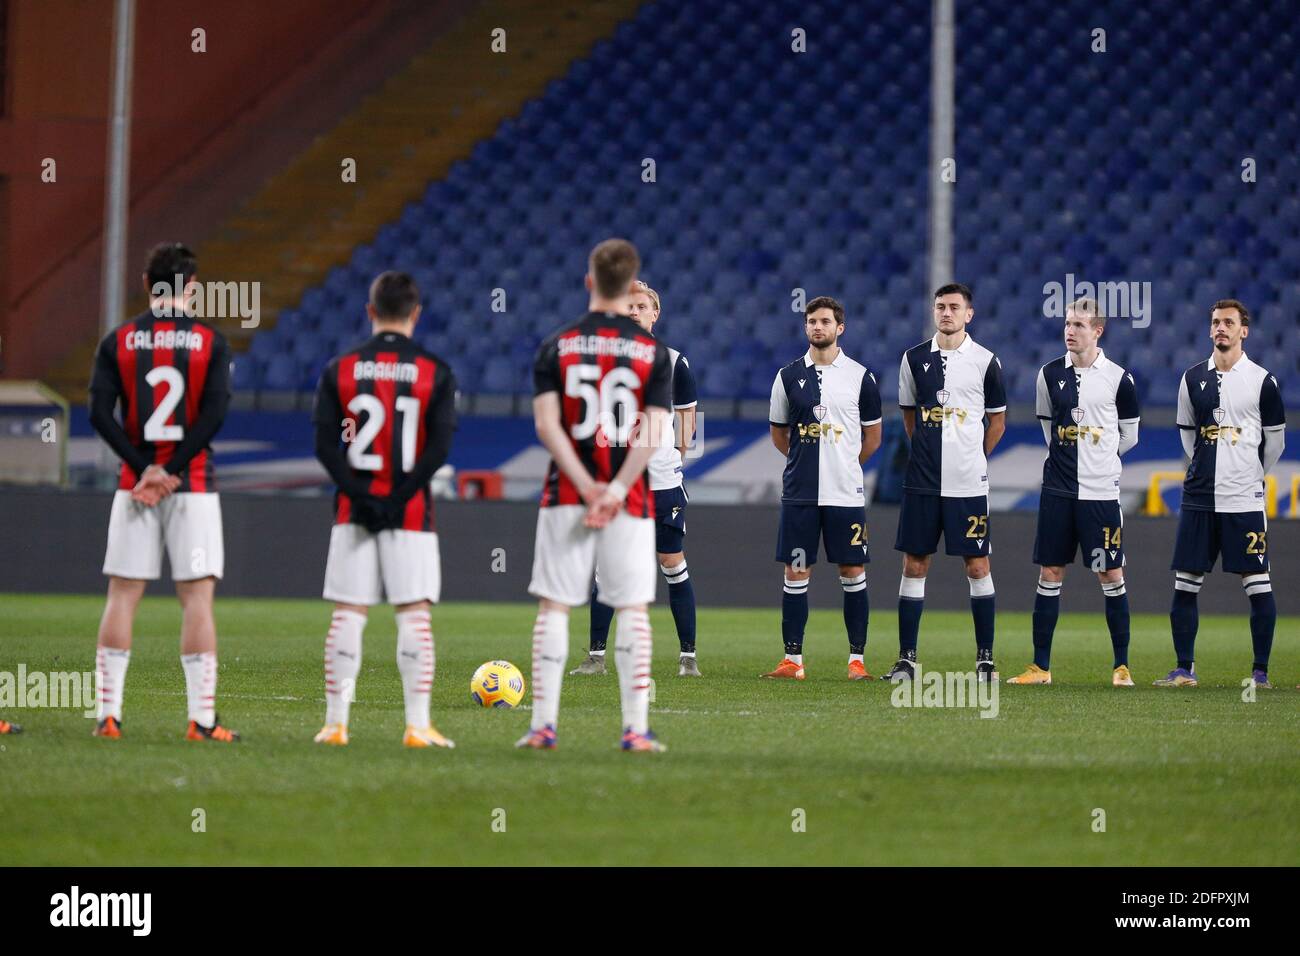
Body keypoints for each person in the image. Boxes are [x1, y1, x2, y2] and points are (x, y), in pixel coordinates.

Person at [517, 239, 672, 752]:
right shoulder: (653, 352)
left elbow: (547, 426)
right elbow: (653, 431)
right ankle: (635, 729)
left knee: (555, 606)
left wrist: (585, 487)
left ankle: (543, 726)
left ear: (590, 282)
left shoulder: (555, 345)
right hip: (629, 499)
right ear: (630, 287)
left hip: (566, 493)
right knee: (631, 608)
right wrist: (617, 488)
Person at [88, 242, 236, 741]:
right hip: (191, 484)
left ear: (148, 286)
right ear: (191, 287)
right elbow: (213, 417)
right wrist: (171, 469)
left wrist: (144, 469)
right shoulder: (211, 342)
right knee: (196, 598)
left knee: (123, 595)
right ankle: (201, 721)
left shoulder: (119, 340)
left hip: (135, 487)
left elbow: (97, 415)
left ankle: (108, 716)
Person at [311, 271, 458, 746]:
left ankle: (335, 725)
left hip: (353, 511)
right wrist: (397, 497)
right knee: (413, 613)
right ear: (416, 314)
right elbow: (437, 450)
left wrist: (362, 496)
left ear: (370, 311)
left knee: (349, 613)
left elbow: (325, 446)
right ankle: (417, 726)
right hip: (410, 511)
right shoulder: (435, 370)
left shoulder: (342, 367)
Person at [1007, 298, 1141, 686]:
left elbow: (1129, 436)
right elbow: (1050, 429)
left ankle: (1121, 667)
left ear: (1098, 331)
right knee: (1050, 572)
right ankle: (1040, 668)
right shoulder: (1049, 375)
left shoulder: (1119, 379)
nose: (1070, 331)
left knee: (1110, 574)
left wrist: (1097, 458)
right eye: (1067, 324)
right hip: (1058, 492)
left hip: (1100, 496)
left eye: (1079, 325)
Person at [572, 279, 701, 677]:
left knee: (670, 561)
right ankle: (596, 656)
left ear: (654, 313)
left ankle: (687, 658)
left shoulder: (674, 361)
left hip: (660, 482)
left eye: (640, 307)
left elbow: (686, 424)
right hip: (615, 484)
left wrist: (667, 460)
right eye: (627, 307)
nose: (633, 313)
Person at [1157, 299, 1285, 688]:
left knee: (1257, 582)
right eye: (1215, 322)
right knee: (1185, 582)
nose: (1220, 329)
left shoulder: (1262, 381)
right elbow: (1187, 436)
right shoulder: (1192, 378)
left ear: (1244, 330)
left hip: (1244, 499)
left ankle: (1260, 673)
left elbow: (1274, 443)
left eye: (1229, 322)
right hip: (1199, 498)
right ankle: (1184, 669)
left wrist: (1249, 475)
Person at [886, 283, 1007, 682]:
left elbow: (998, 421)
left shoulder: (986, 362)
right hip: (922, 483)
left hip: (968, 485)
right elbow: (909, 417)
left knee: (977, 564)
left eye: (955, 307)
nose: (947, 313)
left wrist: (973, 456)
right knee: (915, 562)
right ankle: (907, 659)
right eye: (940, 307)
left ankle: (985, 659)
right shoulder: (913, 359)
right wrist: (926, 452)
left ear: (969, 314)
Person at [763, 296, 883, 680]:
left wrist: (844, 464)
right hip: (800, 496)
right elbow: (779, 434)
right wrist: (804, 465)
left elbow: (873, 437)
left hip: (845, 496)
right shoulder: (786, 376)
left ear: (840, 328)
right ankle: (792, 661)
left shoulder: (861, 377)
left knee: (852, 571)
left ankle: (856, 661)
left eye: (825, 321)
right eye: (812, 321)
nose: (818, 327)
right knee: (797, 572)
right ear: (806, 327)